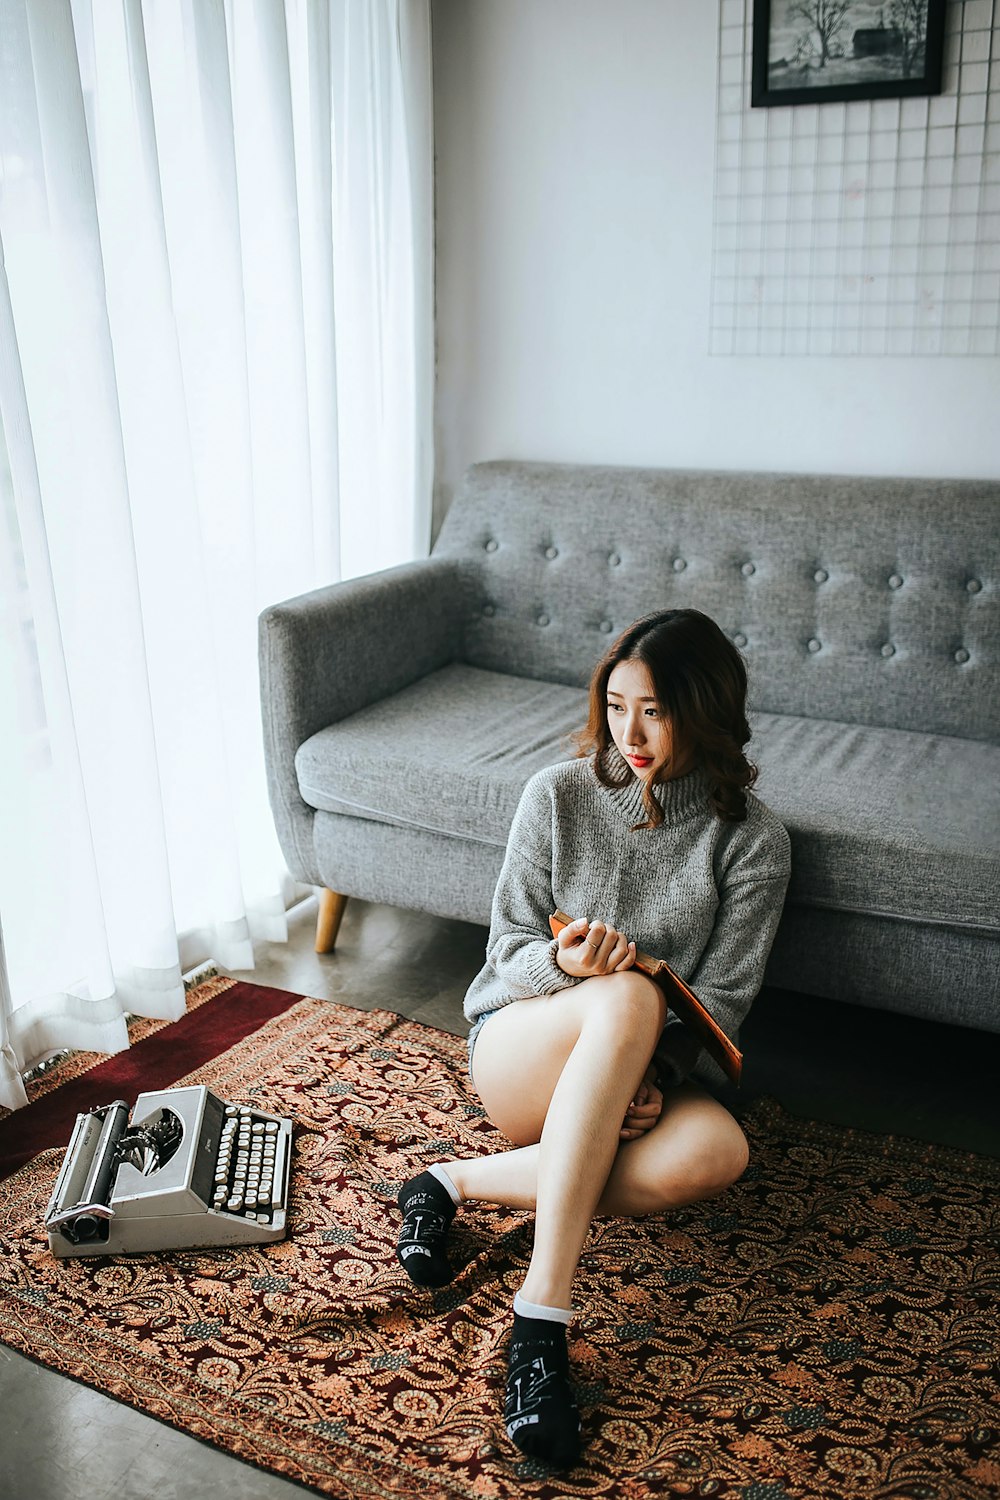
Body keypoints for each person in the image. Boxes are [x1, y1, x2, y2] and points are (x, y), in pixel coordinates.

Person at [394, 608, 791, 1469]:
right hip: (520, 1052)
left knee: (717, 1153)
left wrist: (662, 1072)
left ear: (708, 709)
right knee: (627, 996)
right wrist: (568, 965)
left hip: (633, 1079)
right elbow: (501, 958)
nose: (631, 731)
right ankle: (541, 1325)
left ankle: (449, 1181)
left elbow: (722, 1002)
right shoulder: (557, 794)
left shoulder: (753, 842)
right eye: (617, 705)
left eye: (655, 709)